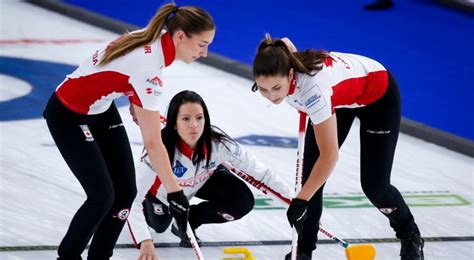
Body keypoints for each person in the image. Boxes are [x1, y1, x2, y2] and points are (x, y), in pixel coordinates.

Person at [42, 3, 215, 259]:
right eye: (202, 44)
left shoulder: (155, 37)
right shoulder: (150, 70)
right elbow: (154, 144)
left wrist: (134, 98)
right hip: (67, 114)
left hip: (100, 109)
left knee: (125, 192)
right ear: (180, 36)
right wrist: (176, 193)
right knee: (102, 196)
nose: (205, 53)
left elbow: (120, 71)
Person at [251, 34, 424, 260]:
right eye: (263, 89)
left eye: (276, 88)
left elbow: (330, 156)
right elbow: (285, 42)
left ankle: (410, 234)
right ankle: (303, 249)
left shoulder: (312, 90)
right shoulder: (285, 67)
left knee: (375, 186)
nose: (271, 96)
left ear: (291, 74)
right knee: (311, 178)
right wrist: (305, 195)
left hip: (377, 96)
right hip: (340, 98)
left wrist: (301, 200)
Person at [127, 90, 293, 259]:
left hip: (200, 181)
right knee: (159, 226)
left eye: (199, 118)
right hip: (163, 194)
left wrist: (295, 200)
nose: (194, 125)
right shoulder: (158, 151)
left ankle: (189, 220)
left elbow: (262, 172)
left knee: (242, 201)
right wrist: (145, 240)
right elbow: (132, 199)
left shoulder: (219, 144)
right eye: (186, 119)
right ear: (174, 123)